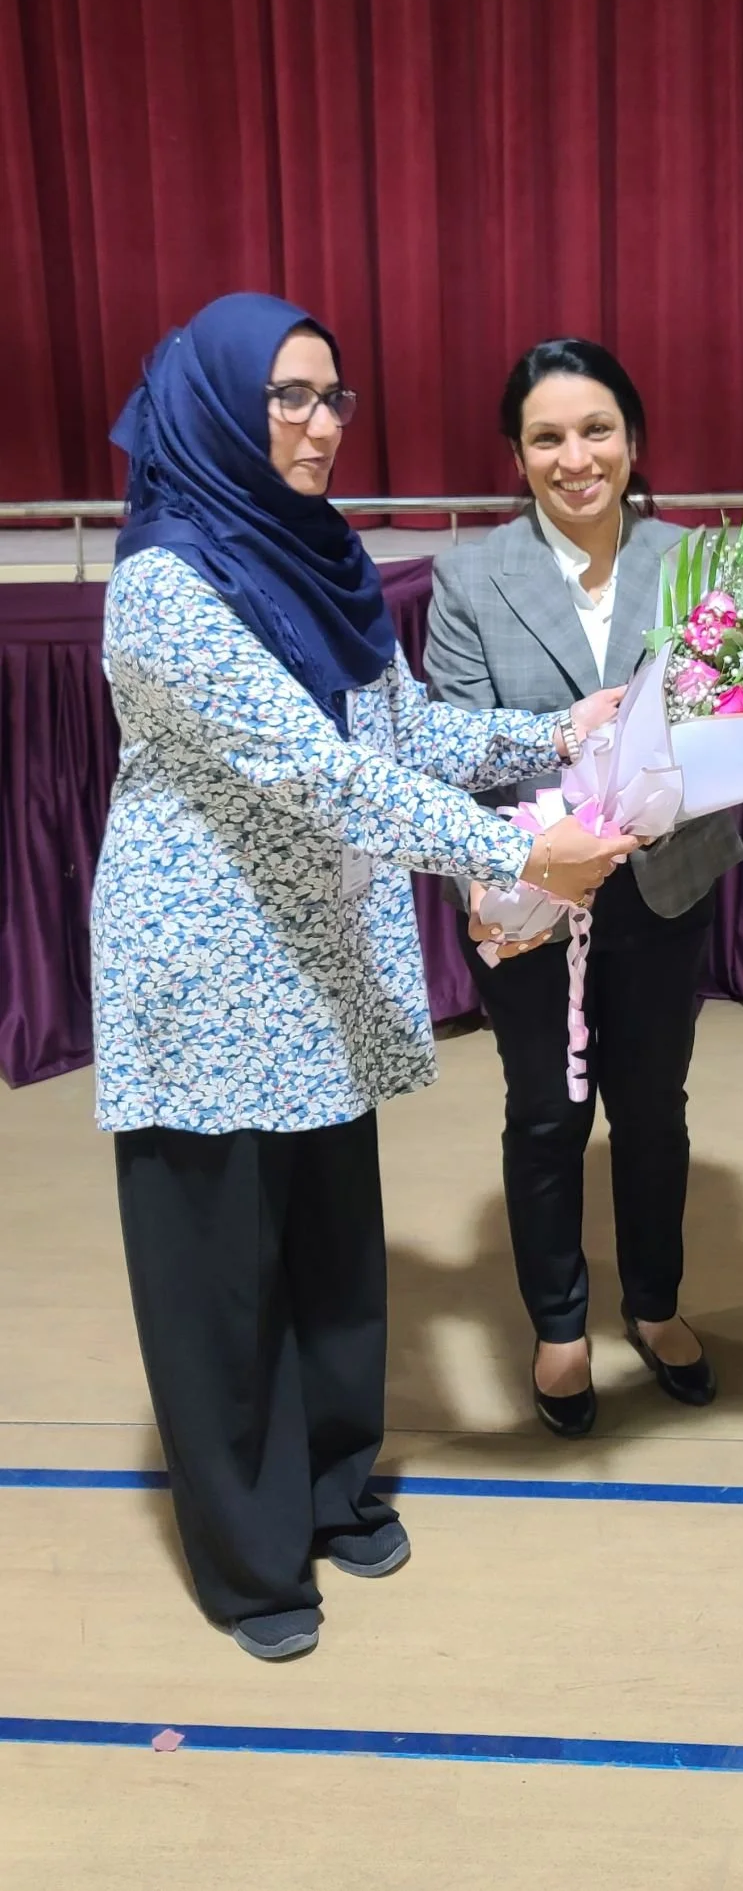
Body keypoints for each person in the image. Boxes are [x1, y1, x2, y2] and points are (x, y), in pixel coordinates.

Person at [93, 293, 633, 1661]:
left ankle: (336, 1485)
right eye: (287, 394)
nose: (321, 422)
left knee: (334, 1249)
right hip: (208, 970)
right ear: (216, 407)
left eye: (332, 394)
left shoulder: (318, 550)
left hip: (321, 960)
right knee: (222, 1279)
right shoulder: (165, 583)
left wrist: (553, 732)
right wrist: (523, 850)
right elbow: (318, 773)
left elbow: (400, 731)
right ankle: (252, 1561)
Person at [426, 337, 743, 1437]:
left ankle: (653, 1303)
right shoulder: (469, 578)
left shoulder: (698, 563)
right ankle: (559, 1325)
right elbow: (457, 750)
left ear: (633, 439)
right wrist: (520, 849)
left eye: (596, 429)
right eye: (547, 437)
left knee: (653, 1106)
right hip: (529, 894)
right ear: (516, 455)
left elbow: (738, 722)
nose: (576, 457)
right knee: (545, 1110)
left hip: (666, 883)